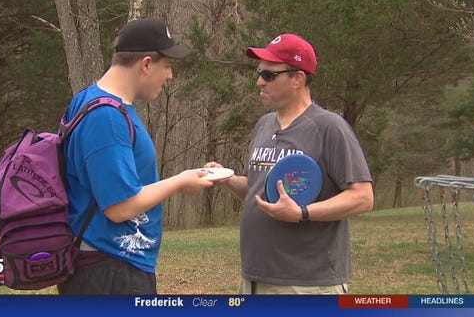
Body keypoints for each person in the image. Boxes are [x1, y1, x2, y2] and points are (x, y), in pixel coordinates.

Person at [205, 33, 374, 294]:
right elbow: (259, 192)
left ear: (298, 78)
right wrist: (227, 178)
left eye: (270, 75)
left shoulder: (329, 127)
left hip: (306, 284)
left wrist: (302, 214)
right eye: (259, 72)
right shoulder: (264, 125)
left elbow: (363, 197)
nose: (260, 82)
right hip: (254, 278)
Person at [57, 18, 213, 295]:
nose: (170, 76)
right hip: (109, 271)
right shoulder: (107, 117)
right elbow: (120, 207)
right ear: (146, 64)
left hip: (111, 267)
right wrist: (179, 182)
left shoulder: (91, 100)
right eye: (167, 66)